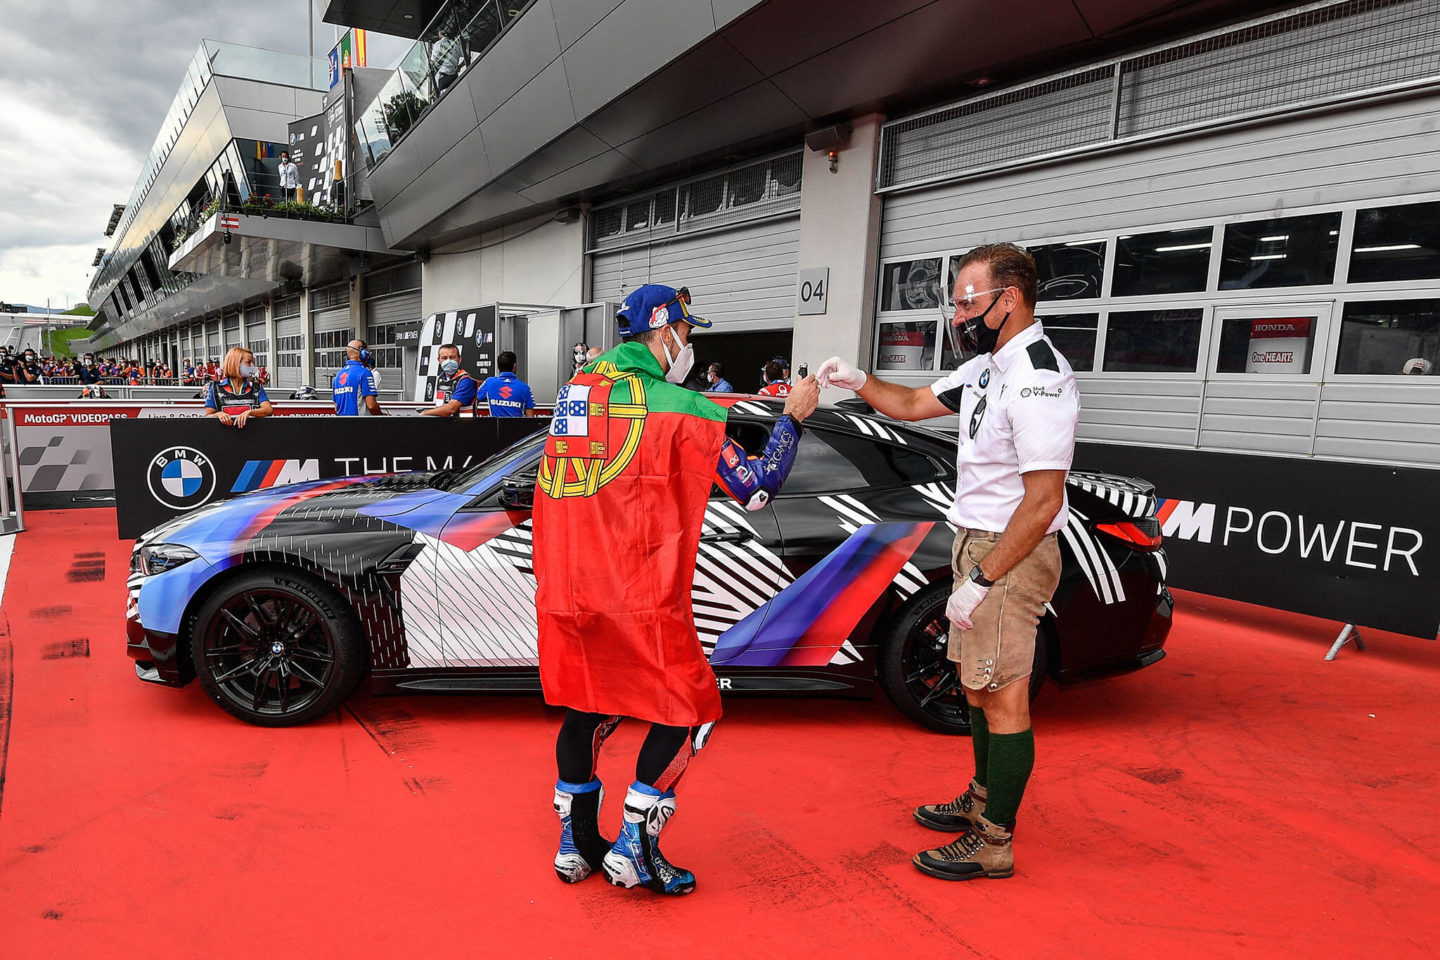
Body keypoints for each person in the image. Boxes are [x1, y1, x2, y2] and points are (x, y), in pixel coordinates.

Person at [534, 283, 819, 896]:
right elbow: (759, 485)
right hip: (637, 593)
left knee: (586, 705)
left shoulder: (574, 393)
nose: (688, 344)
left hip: (568, 589)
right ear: (665, 332)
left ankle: (577, 843)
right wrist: (792, 418)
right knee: (690, 709)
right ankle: (635, 847)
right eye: (687, 332)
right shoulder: (680, 405)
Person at [817, 242, 1080, 882]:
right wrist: (858, 381)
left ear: (1008, 299)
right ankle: (983, 799)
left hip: (1007, 553)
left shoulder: (1038, 378)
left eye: (967, 300)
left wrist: (985, 579)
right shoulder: (989, 367)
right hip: (977, 544)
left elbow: (1044, 501)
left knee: (1004, 694)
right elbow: (909, 405)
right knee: (975, 686)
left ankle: (995, 842)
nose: (957, 314)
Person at [204, 346, 273, 429]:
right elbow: (208, 415)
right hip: (224, 437)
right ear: (236, 363)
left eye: (252, 362)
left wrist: (250, 412)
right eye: (249, 362)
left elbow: (268, 410)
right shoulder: (215, 387)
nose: (252, 366)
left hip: (252, 436)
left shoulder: (256, 387)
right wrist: (218, 414)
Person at [421, 343, 478, 416]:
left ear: (459, 359)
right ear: (439, 360)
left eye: (452, 357)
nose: (448, 361)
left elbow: (451, 408)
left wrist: (425, 413)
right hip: (445, 425)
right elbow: (441, 405)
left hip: (464, 425)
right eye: (444, 358)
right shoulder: (441, 378)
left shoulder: (466, 380)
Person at [477, 351, 535, 417]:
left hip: (495, 427)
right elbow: (530, 418)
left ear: (498, 367)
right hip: (518, 427)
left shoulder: (489, 382)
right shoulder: (525, 388)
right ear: (514, 366)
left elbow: (473, 401)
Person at [333, 339, 381, 416]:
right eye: (367, 351)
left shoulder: (338, 375)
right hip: (360, 424)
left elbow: (336, 407)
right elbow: (371, 406)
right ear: (362, 352)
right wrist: (381, 416)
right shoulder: (364, 373)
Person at [431, 28, 463, 94]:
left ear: (440, 34)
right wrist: (459, 66)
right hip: (454, 76)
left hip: (443, 77)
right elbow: (468, 57)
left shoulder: (437, 45)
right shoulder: (456, 44)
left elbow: (432, 62)